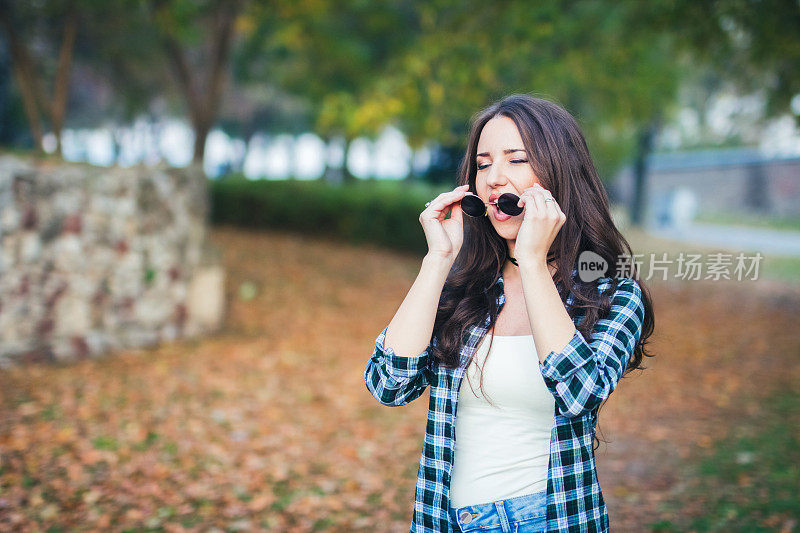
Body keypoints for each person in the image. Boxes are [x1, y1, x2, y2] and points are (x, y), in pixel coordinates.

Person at [364, 94, 655, 533]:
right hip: (445, 520)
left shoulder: (613, 295)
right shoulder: (466, 288)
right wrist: (437, 261)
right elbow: (389, 384)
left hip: (546, 519)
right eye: (483, 165)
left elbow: (580, 393)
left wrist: (534, 262)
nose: (494, 178)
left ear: (559, 172)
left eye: (516, 160)